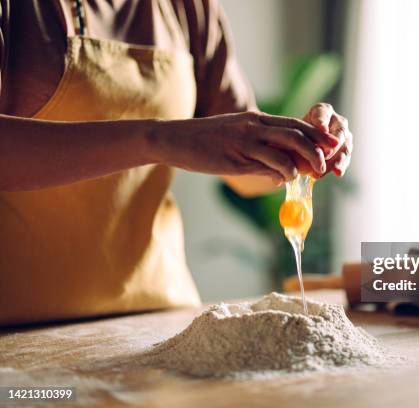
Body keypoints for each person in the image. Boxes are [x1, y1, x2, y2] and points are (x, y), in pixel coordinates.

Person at [0, 0, 353, 326]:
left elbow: (248, 174)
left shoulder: (188, 6)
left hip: (157, 319)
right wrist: (158, 140)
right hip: (17, 331)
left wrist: (302, 146)